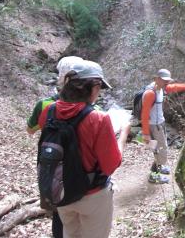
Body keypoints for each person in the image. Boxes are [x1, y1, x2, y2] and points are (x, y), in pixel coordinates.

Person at [36, 60, 130, 237]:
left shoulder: (48, 111)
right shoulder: (99, 119)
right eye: (100, 86)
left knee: (70, 233)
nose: (99, 91)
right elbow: (111, 165)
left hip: (61, 191)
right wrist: (123, 133)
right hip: (92, 195)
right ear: (93, 86)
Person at [27, 56, 85, 237]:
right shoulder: (92, 109)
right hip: (83, 173)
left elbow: (30, 130)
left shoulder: (44, 105)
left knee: (59, 217)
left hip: (53, 168)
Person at [141, 68, 185, 183]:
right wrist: (145, 134)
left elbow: (172, 87)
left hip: (159, 123)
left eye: (168, 80)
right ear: (157, 79)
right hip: (153, 126)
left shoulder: (160, 88)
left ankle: (159, 167)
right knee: (161, 151)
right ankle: (154, 175)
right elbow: (144, 115)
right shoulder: (150, 93)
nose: (167, 82)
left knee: (159, 149)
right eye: (164, 80)